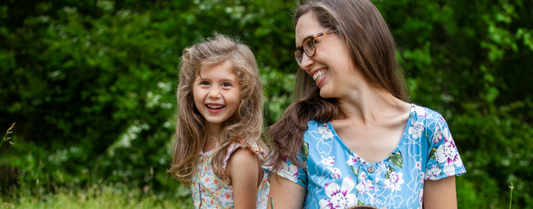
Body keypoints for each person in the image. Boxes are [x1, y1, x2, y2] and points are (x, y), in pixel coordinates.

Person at [266, 0, 466, 208]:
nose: (305, 63)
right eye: (301, 53)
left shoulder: (428, 131)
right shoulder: (299, 136)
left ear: (356, 32)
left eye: (311, 44)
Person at [169, 33, 269, 209]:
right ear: (190, 89)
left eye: (226, 84)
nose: (214, 94)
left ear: (244, 93)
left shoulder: (241, 155)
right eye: (205, 83)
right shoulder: (200, 144)